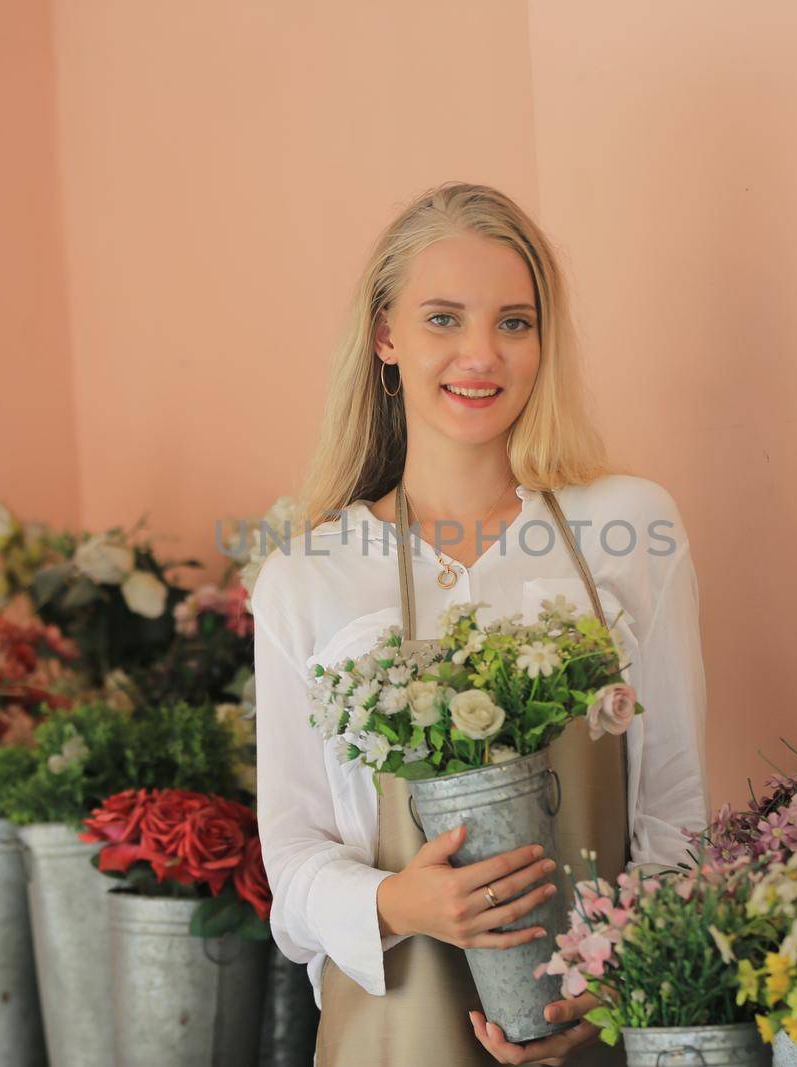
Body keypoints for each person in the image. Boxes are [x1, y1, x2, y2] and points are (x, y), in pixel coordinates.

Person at [250, 181, 709, 1066]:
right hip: (396, 1034)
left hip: (597, 1025)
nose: (481, 355)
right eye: (442, 319)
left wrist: (618, 975)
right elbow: (294, 855)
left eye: (513, 322)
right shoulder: (307, 577)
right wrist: (399, 904)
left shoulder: (630, 529)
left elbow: (676, 810)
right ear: (385, 335)